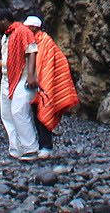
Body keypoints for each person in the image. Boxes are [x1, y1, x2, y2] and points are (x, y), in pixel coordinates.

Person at [0, 10, 39, 160]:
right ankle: (16, 148)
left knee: (18, 110)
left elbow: (31, 52)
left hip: (22, 77)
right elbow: (10, 59)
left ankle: (30, 148)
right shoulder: (6, 37)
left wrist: (30, 76)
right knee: (7, 114)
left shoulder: (22, 31)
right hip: (7, 78)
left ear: (4, 20)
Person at [25, 16, 78, 156]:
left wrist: (46, 80)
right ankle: (41, 145)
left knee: (44, 112)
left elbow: (54, 61)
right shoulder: (32, 42)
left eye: (28, 28)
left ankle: (47, 147)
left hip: (45, 84)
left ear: (34, 28)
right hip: (34, 85)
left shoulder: (46, 42)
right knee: (35, 114)